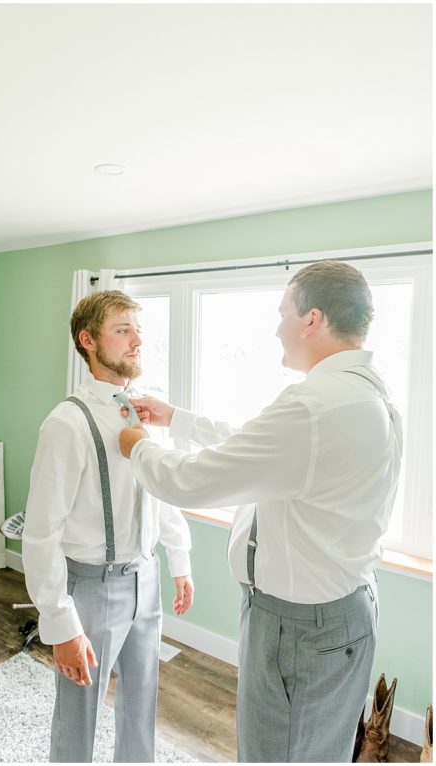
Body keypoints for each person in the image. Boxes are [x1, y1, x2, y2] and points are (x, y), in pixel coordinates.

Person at [119, 260, 401, 762]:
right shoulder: (366, 393)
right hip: (345, 613)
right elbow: (261, 447)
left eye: (282, 313)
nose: (277, 328)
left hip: (298, 630)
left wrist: (138, 446)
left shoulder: (313, 406)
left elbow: (187, 480)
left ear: (312, 319)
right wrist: (176, 419)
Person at [22, 289, 194, 763]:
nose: (137, 340)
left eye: (137, 329)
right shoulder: (67, 423)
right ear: (89, 340)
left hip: (147, 577)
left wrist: (178, 560)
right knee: (79, 715)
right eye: (123, 329)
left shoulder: (142, 409)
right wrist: (59, 622)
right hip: (91, 589)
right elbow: (40, 534)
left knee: (141, 708)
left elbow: (159, 486)